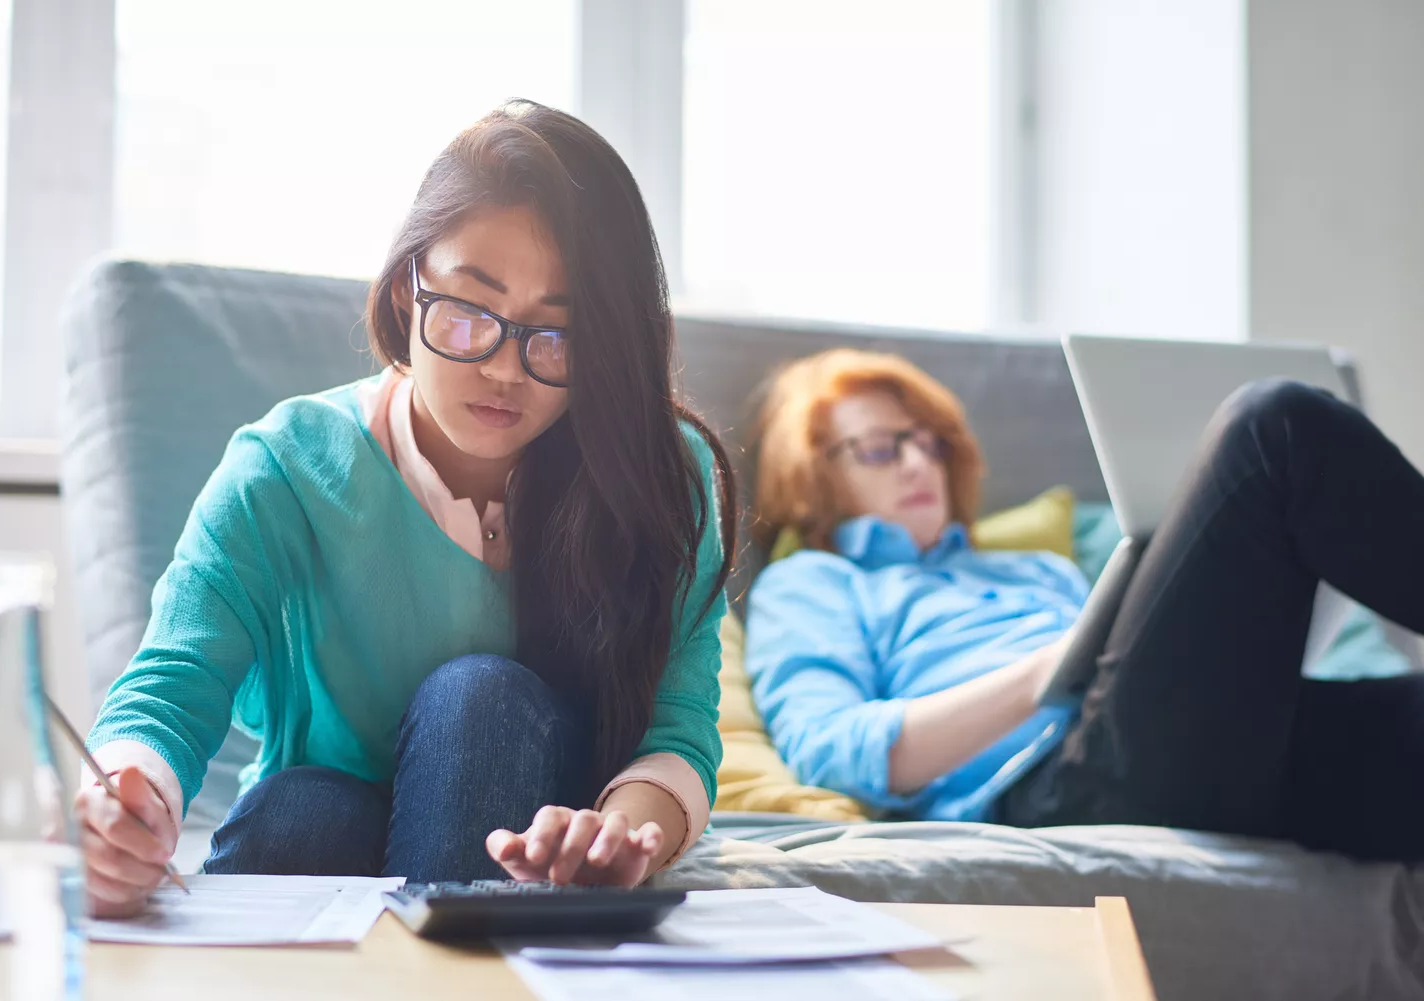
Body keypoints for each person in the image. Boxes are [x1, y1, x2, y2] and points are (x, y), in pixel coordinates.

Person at [75, 100, 734, 916]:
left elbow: (680, 735)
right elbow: (170, 687)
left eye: (556, 335)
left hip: (537, 856)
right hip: (326, 827)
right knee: (296, 811)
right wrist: (127, 795)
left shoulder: (661, 474)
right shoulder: (284, 467)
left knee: (479, 698)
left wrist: (616, 838)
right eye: (467, 312)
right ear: (404, 291)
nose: (503, 368)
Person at [744, 347, 1424, 862]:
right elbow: (828, 746)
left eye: (930, 442)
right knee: (1273, 426)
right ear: (812, 475)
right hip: (1061, 783)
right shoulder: (814, 580)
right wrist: (1043, 675)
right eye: (882, 448)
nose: (920, 464)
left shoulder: (1033, 566)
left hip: (1217, 746)